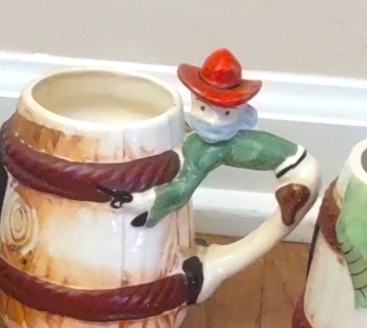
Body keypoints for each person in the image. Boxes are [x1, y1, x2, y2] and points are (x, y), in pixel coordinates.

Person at [127, 49, 312, 228]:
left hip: (302, 176)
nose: (212, 121)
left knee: (284, 221)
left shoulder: (213, 150)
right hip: (301, 166)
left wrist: (142, 204)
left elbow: (182, 190)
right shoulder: (207, 140)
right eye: (202, 108)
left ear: (242, 112)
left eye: (226, 113)